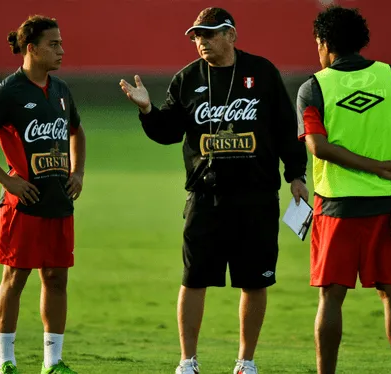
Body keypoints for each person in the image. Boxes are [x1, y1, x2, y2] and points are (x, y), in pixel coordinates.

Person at [120, 7, 308, 374]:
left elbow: (287, 127)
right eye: (196, 36)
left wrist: (296, 175)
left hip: (257, 196)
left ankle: (245, 362)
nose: (201, 41)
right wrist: (147, 110)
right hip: (206, 196)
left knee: (255, 281)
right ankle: (187, 361)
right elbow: (168, 132)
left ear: (231, 35)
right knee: (194, 279)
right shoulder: (188, 78)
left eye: (208, 34)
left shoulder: (262, 72)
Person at [297, 6, 391, 374]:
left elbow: (317, 147)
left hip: (336, 207)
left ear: (323, 43)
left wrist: (372, 167)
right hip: (386, 204)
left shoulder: (314, 86)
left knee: (331, 296)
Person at [0, 15, 86, 374]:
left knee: (56, 278)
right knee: (15, 278)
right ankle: (5, 360)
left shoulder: (61, 90)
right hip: (24, 204)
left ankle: (53, 362)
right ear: (31, 48)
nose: (61, 51)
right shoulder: (10, 91)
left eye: (61, 44)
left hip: (59, 203)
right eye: (53, 44)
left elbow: (77, 132)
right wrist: (5, 181)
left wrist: (78, 171)